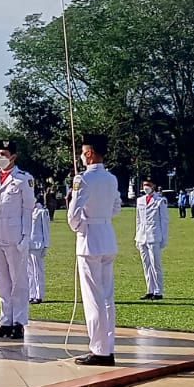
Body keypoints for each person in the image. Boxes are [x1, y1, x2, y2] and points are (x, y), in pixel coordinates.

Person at [67, 134, 121, 366]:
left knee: (93, 299)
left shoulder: (84, 179)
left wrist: (82, 227)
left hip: (90, 240)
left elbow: (72, 214)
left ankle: (99, 349)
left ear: (88, 153)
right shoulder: (111, 178)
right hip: (107, 236)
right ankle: (107, 347)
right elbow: (117, 207)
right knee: (107, 297)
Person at [0, 141, 35, 341]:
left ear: (13, 156)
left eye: (3, 154)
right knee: (2, 281)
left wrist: (26, 237)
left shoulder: (23, 179)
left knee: (18, 281)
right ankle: (5, 321)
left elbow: (28, 209)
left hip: (15, 236)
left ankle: (19, 323)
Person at [134, 178, 169, 300]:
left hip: (154, 235)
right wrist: (137, 237)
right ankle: (150, 289)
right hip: (142, 236)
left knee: (155, 264)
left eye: (148, 185)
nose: (146, 187)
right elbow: (138, 220)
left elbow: (164, 221)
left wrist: (164, 238)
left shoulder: (160, 201)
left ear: (154, 186)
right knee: (146, 264)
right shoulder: (140, 200)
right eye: (144, 185)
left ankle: (158, 291)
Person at [27, 197, 51, 305]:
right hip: (28, 245)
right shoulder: (27, 212)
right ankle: (31, 294)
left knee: (38, 271)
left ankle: (39, 295)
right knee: (30, 272)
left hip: (38, 244)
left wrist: (46, 245)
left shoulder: (42, 212)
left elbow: (46, 229)